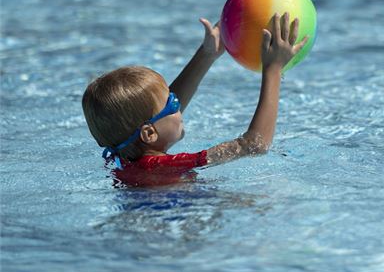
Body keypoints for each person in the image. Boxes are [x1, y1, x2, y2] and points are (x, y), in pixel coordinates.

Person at [82, 13, 308, 187]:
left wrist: (207, 54)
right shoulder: (163, 167)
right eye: (173, 104)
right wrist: (273, 69)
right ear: (149, 133)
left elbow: (154, 113)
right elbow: (254, 146)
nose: (179, 103)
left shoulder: (122, 156)